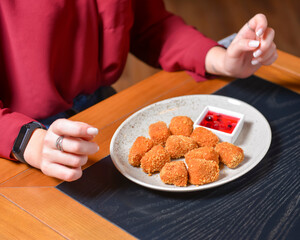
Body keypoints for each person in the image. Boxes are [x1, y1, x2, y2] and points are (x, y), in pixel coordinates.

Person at [0, 0, 277, 182]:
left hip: (103, 113)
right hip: (17, 143)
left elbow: (148, 24)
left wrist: (220, 59)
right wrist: (28, 142)